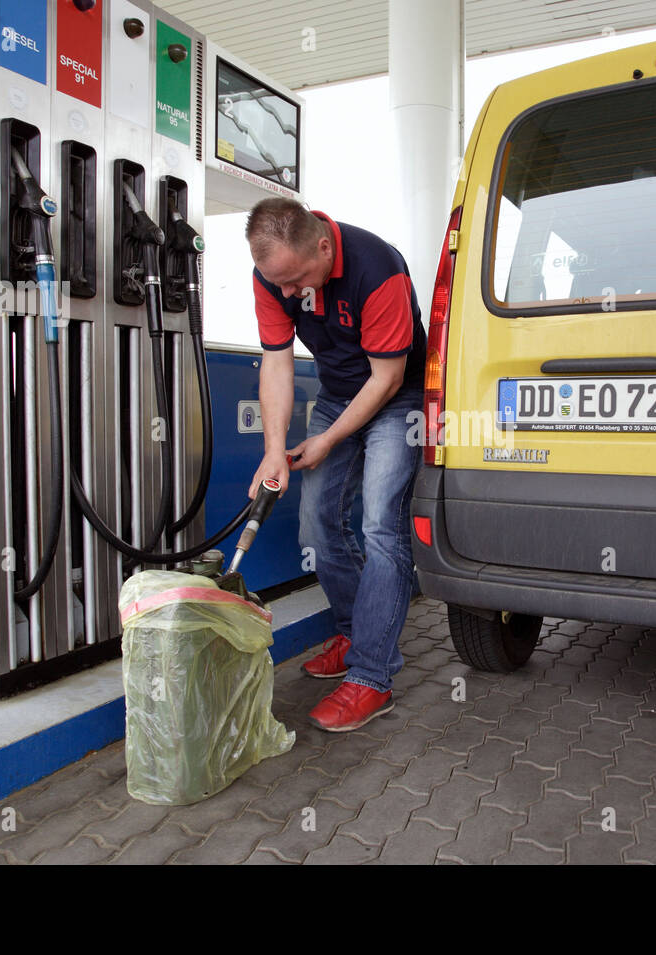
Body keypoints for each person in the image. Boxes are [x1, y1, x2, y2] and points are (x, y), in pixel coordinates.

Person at [245, 198, 426, 732]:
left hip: (398, 396)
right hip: (338, 393)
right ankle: (353, 633)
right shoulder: (274, 274)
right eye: (274, 282)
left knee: (380, 527)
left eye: (295, 279)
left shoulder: (377, 268)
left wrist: (325, 440)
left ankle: (373, 677)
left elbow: (387, 379)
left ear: (324, 248)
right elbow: (277, 362)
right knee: (318, 525)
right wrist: (274, 448)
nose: (285, 293)